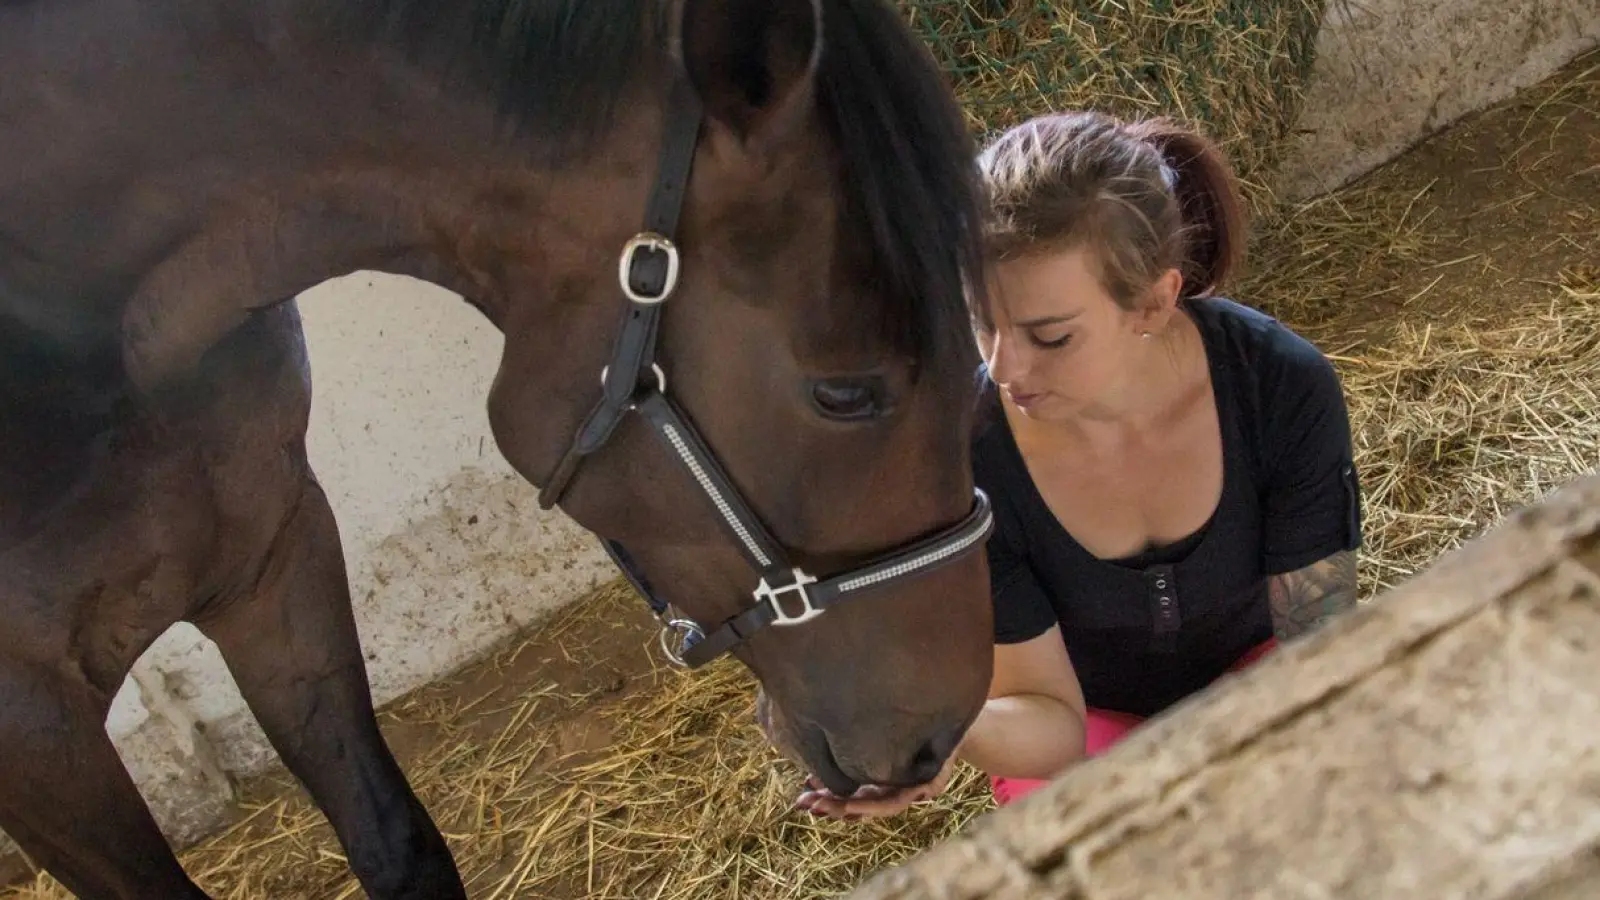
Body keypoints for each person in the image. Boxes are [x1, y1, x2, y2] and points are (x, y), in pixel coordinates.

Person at [795, 110, 1363, 821]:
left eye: (1051, 336)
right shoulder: (965, 458)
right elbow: (1052, 727)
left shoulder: (1278, 385)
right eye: (981, 323)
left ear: (1154, 301)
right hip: (1088, 729)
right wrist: (934, 722)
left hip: (1265, 675)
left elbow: (1320, 647)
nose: (1004, 368)